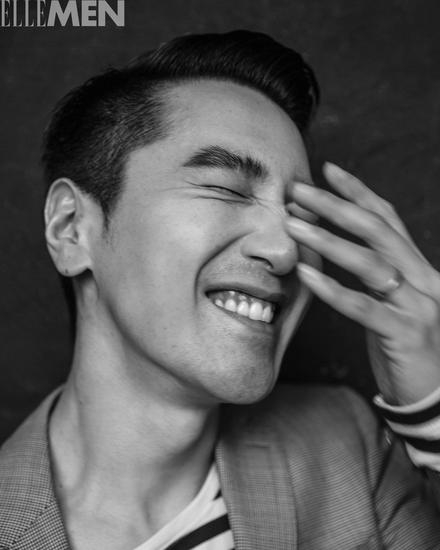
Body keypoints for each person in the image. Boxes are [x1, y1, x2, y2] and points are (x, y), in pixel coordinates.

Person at [1, 30, 440, 550]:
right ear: (71, 229)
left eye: (300, 214)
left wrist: (433, 413)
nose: (284, 249)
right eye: (226, 189)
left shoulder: (346, 448)